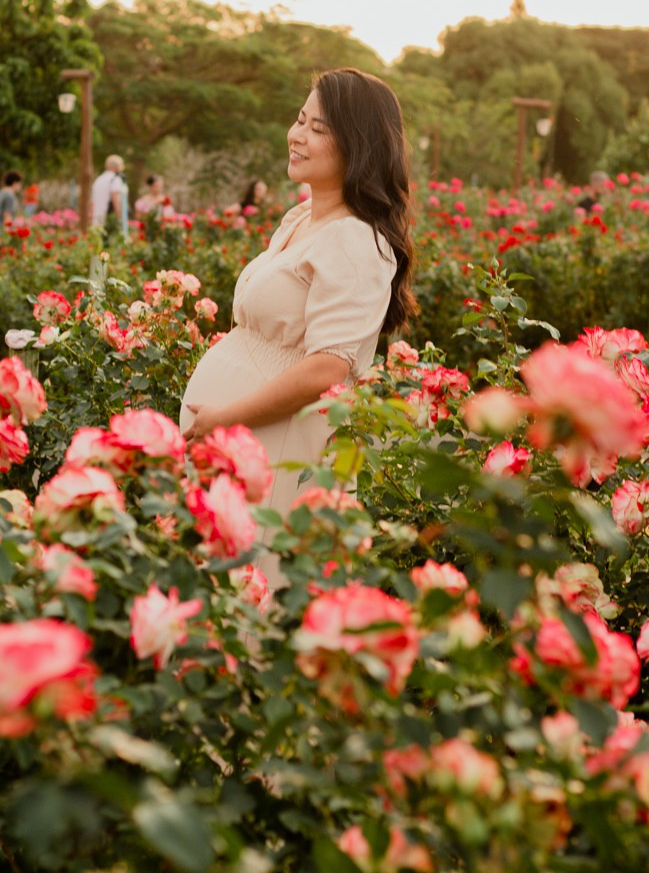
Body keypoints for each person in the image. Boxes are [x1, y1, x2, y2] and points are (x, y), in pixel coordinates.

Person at [181, 68, 417, 571]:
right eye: (299, 119)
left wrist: (227, 417)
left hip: (279, 441)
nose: (297, 135)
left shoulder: (356, 241)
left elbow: (328, 368)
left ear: (359, 145)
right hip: (241, 444)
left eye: (319, 128)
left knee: (256, 590)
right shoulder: (299, 220)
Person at [92, 155, 127, 232]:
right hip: (109, 220)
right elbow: (115, 199)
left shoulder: (98, 179)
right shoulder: (115, 179)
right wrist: (119, 218)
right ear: (116, 167)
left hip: (97, 219)